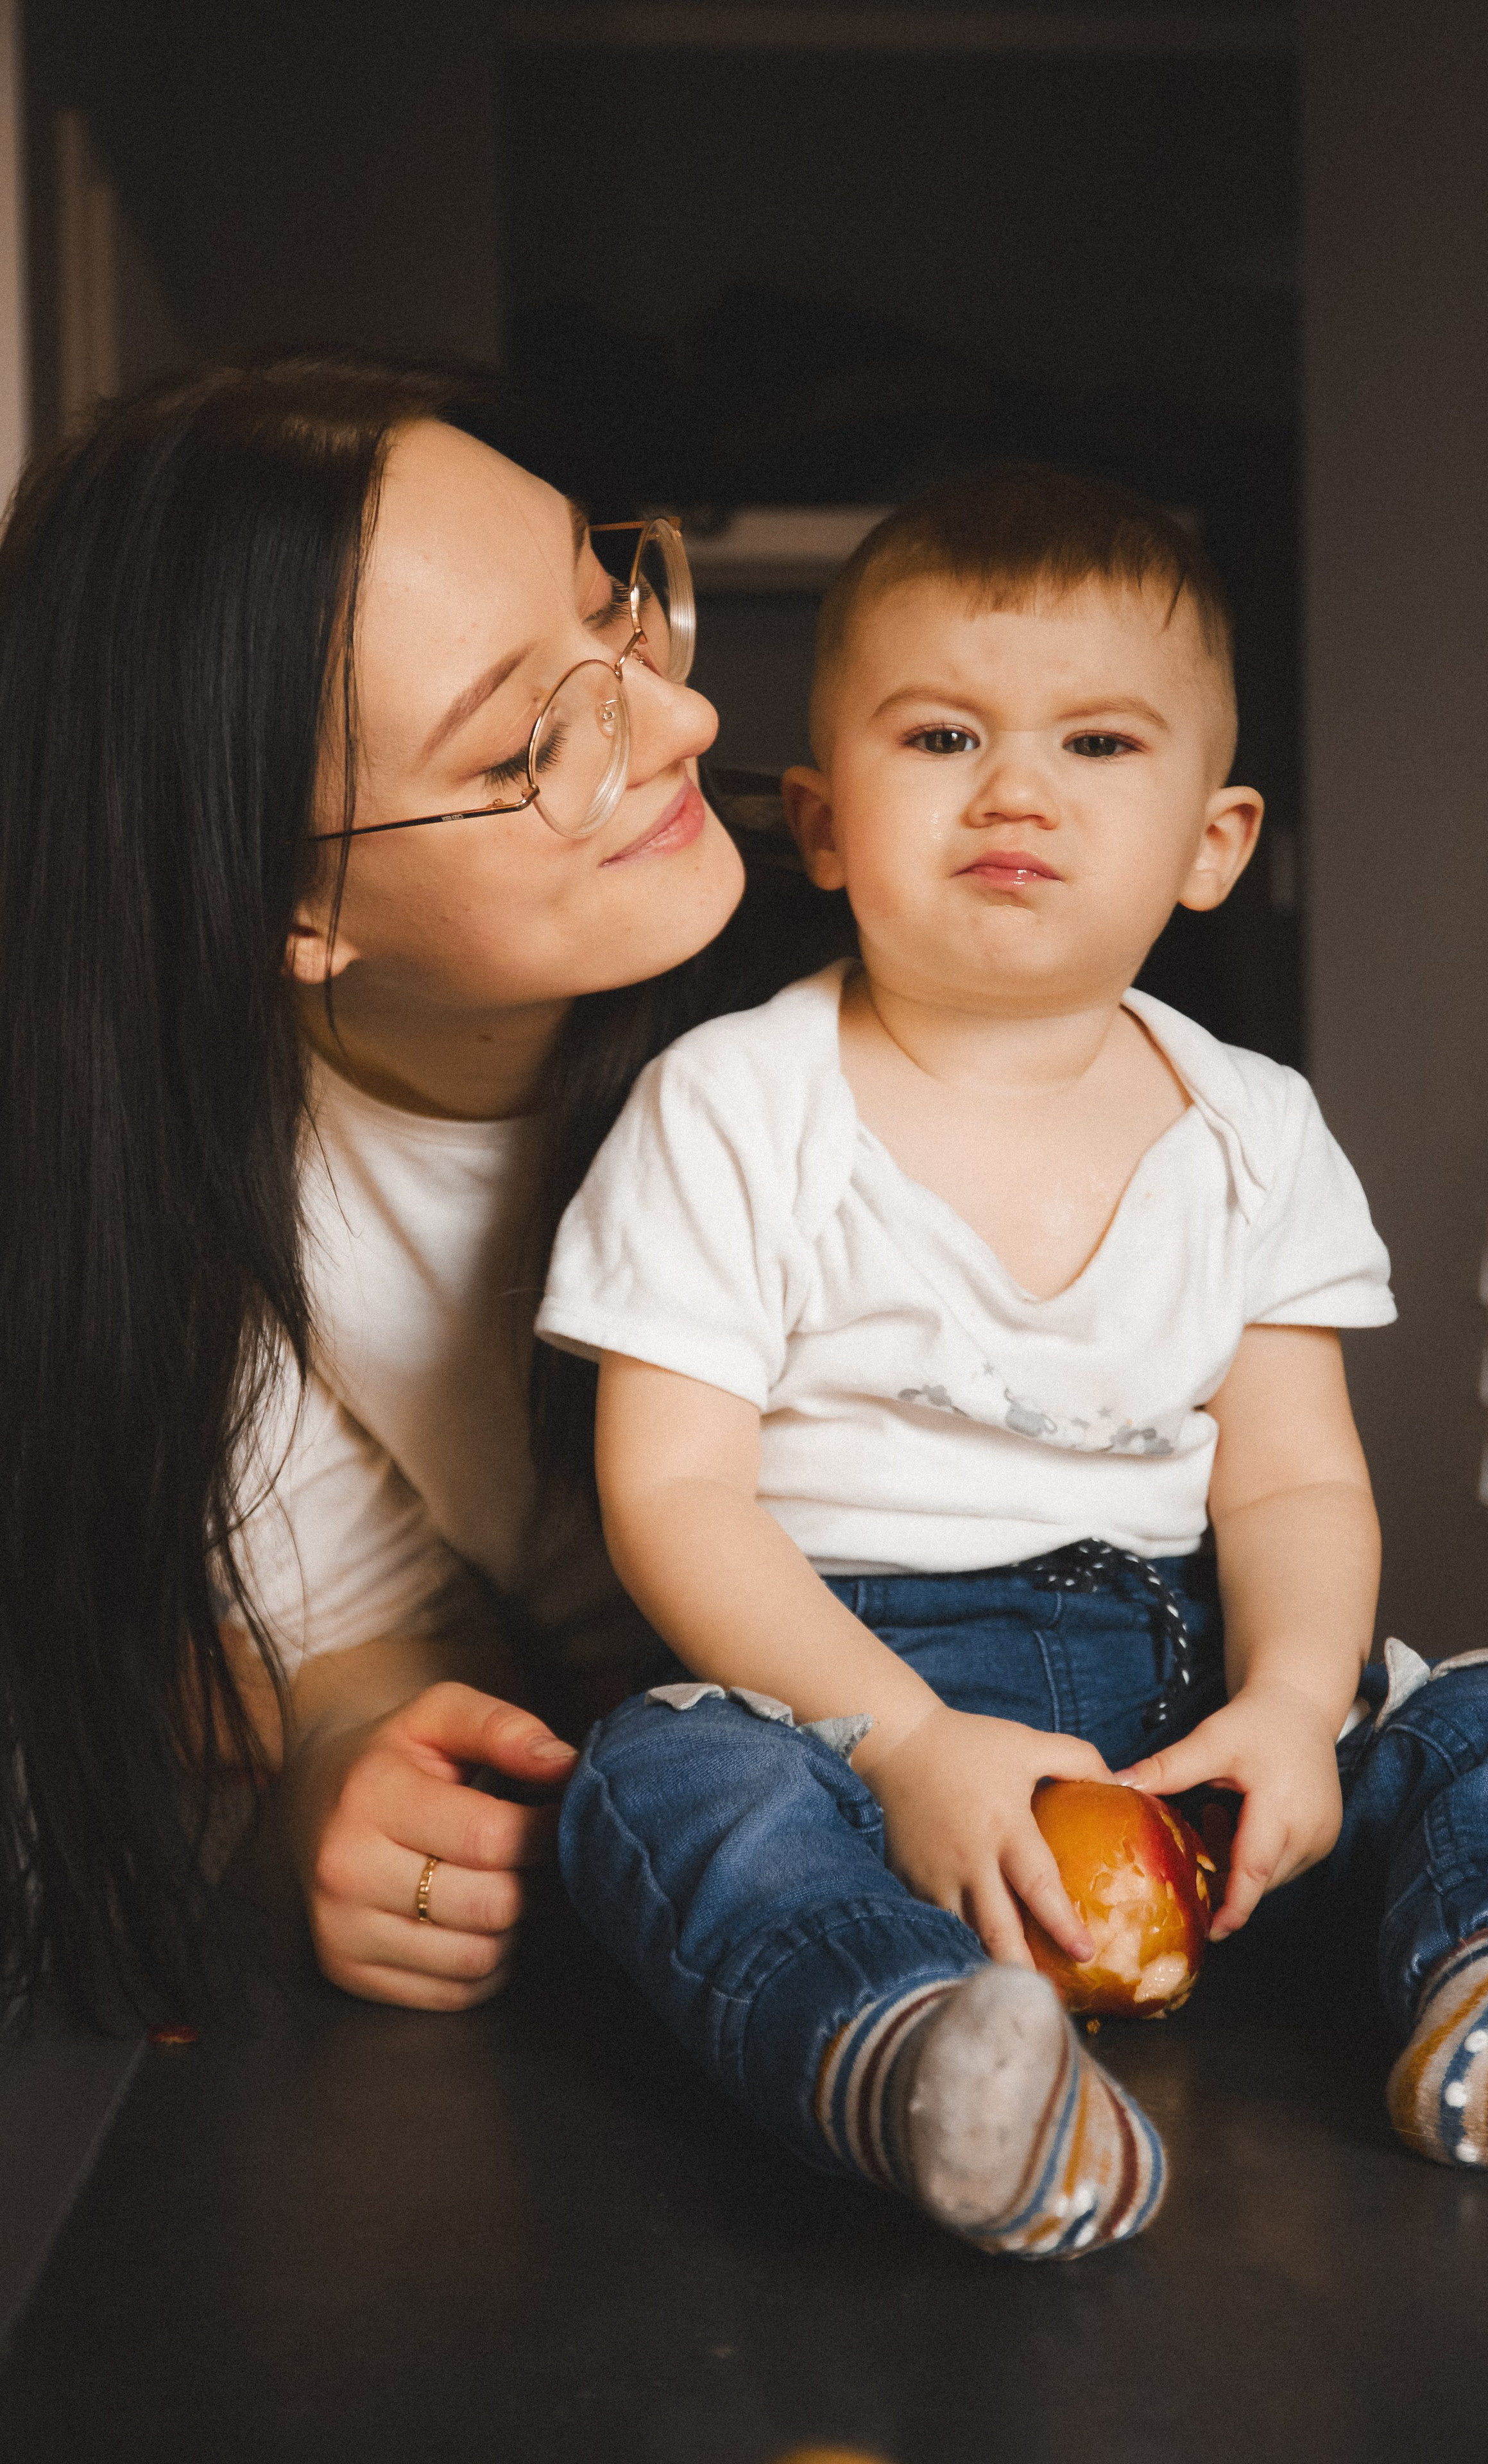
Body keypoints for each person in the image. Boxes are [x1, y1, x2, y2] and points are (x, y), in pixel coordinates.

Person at [540, 468, 1488, 2260]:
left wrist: (1290, 1710)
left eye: (1101, 746)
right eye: (946, 733)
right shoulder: (735, 1105)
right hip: (855, 1704)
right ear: (820, 821)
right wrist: (901, 1746)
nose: (1019, 790)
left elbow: (1289, 1473)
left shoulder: (1255, 1127)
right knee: (665, 1790)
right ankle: (917, 2060)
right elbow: (671, 1493)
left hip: (1190, 1702)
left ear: (1215, 844)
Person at [0, 356, 800, 2025]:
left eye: (618, 604)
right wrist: (363, 1781)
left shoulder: (863, 1010)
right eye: (533, 735)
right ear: (290, 910)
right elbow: (357, 1644)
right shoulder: (209, 1201)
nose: (688, 721)